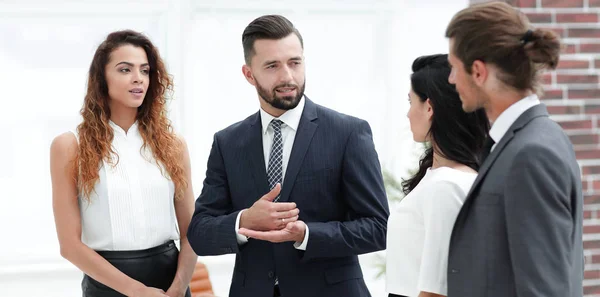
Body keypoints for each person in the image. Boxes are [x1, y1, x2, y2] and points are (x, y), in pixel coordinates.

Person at [186, 15, 389, 297]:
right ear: (248, 74)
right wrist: (244, 220)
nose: (287, 77)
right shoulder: (228, 143)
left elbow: (378, 228)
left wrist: (306, 234)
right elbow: (199, 234)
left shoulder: (348, 133)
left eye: (295, 62)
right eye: (272, 66)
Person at [445, 2, 584, 297]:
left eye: (454, 68)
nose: (451, 80)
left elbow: (543, 289)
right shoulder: (529, 141)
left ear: (478, 71)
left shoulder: (532, 153)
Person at [50, 30, 197, 297]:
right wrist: (136, 291)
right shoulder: (70, 146)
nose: (138, 78)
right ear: (101, 78)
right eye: (125, 69)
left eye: (145, 70)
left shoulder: (173, 145)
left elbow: (191, 233)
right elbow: (69, 245)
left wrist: (177, 289)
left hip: (171, 284)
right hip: (106, 287)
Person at [386, 54, 489, 297]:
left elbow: (437, 289)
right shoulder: (444, 179)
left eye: (411, 102)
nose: (408, 113)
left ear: (429, 107)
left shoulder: (446, 186)